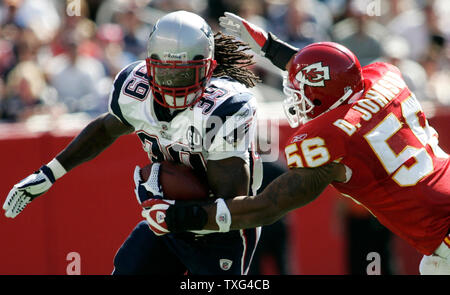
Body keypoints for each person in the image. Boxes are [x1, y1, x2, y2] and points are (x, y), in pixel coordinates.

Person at [141, 12, 450, 275]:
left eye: (301, 94)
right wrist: (271, 47)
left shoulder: (329, 140)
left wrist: (180, 217)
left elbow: (267, 207)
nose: (296, 101)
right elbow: (333, 75)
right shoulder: (384, 77)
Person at [3, 11, 263, 275]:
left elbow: (231, 201)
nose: (173, 85)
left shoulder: (225, 108)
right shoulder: (134, 89)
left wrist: (173, 212)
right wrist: (48, 174)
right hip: (165, 221)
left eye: (184, 75)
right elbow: (106, 129)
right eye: (165, 74)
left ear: (209, 69)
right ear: (149, 65)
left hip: (219, 228)